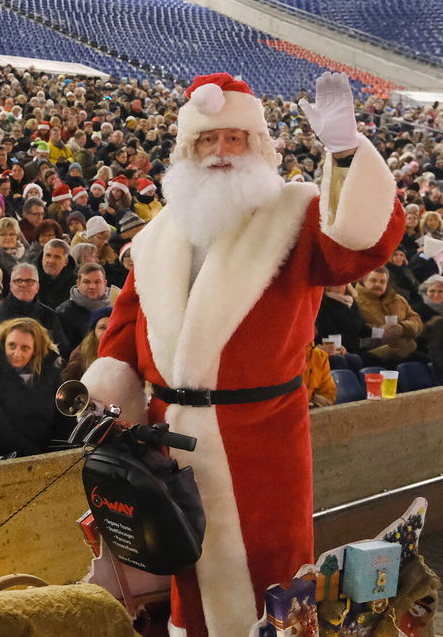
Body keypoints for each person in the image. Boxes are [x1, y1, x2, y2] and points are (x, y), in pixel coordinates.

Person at [81, 73, 403, 636]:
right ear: (188, 150)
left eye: (234, 138)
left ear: (257, 145)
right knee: (189, 574)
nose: (221, 152)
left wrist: (347, 154)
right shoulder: (158, 237)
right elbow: (126, 327)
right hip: (169, 437)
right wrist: (106, 395)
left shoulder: (297, 214)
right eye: (208, 141)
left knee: (272, 576)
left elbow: (360, 246)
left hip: (262, 436)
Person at [0, 318, 68, 458]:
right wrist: (33, 455)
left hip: (47, 452)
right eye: (12, 345)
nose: (17, 353)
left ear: (35, 350)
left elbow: (62, 415)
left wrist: (58, 452)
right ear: (4, 343)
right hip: (4, 454)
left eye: (25, 348)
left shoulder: (50, 370)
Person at [0, 263, 72, 354]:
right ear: (11, 286)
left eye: (29, 281)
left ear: (37, 287)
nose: (23, 284)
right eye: (18, 280)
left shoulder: (49, 315)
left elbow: (63, 350)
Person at [353, 266, 424, 366]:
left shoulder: (398, 299)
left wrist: (403, 327)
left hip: (406, 350)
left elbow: (416, 320)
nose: (378, 284)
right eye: (373, 280)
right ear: (363, 281)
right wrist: (381, 332)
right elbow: (358, 329)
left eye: (382, 282)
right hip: (376, 354)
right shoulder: (355, 301)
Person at [55, 262, 111, 349]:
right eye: (86, 282)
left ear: (105, 283)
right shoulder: (63, 313)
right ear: (78, 283)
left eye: (97, 282)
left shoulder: (114, 308)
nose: (92, 286)